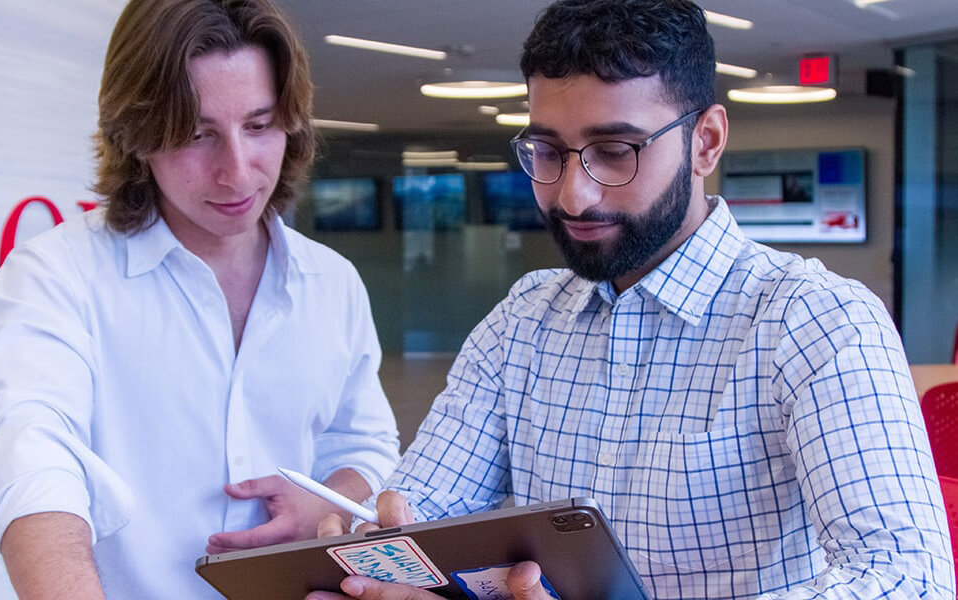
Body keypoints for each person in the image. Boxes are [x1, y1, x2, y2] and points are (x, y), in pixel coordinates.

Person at [307, 1, 954, 599]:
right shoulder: (522, 321)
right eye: (547, 152)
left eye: (614, 152)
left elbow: (907, 578)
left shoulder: (813, 323)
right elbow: (419, 511)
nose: (571, 196)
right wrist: (381, 556)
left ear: (705, 141)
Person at [0, 1, 400, 597]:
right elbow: (32, 455)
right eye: (196, 135)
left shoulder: (333, 281)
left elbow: (364, 443)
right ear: (136, 135)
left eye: (259, 126)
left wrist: (331, 503)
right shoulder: (57, 275)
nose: (238, 174)